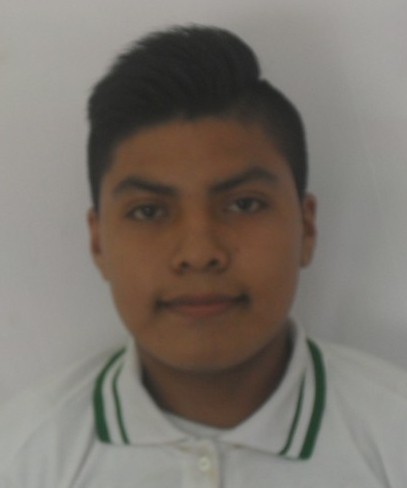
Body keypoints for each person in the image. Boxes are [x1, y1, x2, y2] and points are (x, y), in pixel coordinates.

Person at [1, 24, 407, 488]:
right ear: (99, 244)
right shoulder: (21, 456)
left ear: (307, 227)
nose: (199, 254)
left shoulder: (393, 434)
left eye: (244, 204)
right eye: (149, 211)